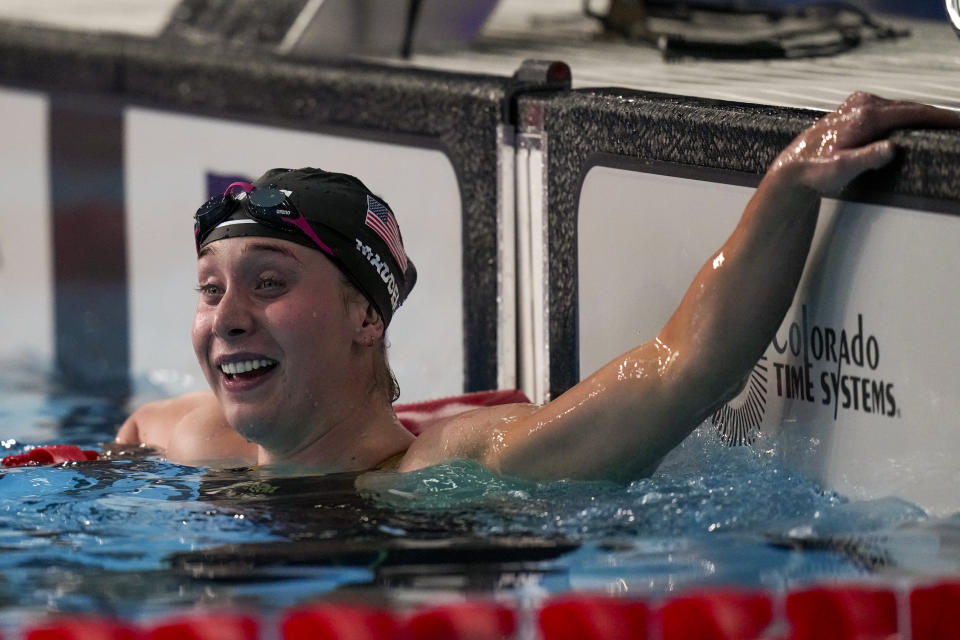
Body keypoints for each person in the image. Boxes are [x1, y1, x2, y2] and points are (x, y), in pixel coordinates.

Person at [116, 93, 960, 479]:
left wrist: (786, 187)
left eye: (267, 283)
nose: (226, 319)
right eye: (209, 290)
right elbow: (137, 428)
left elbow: (683, 369)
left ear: (364, 314)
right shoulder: (190, 440)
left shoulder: (458, 468)